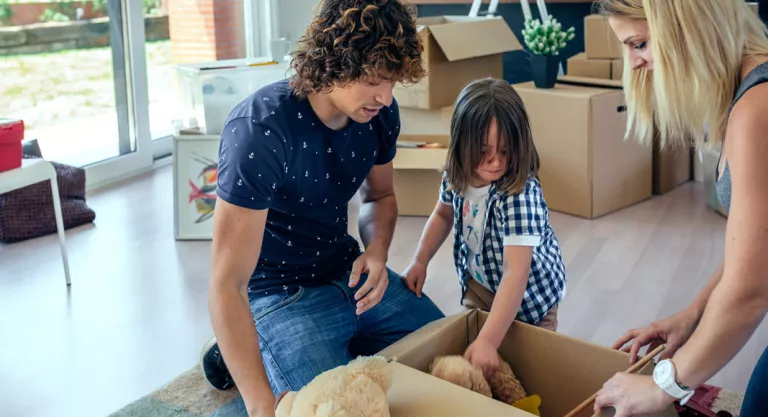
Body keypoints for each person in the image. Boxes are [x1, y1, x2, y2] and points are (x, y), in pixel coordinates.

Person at [200, 1, 445, 415]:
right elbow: (227, 285)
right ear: (333, 60)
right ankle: (250, 353)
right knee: (335, 408)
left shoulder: (379, 115)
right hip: (279, 294)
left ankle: (259, 354)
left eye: (394, 82)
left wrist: (378, 252)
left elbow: (380, 197)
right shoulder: (260, 131)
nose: (386, 98)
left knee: (450, 354)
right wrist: (262, 406)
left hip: (347, 274)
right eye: (374, 80)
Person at [590, 1, 768, 416]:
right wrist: (693, 314)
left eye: (641, 43)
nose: (633, 63)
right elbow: (756, 252)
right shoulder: (747, 93)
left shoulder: (757, 109)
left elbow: (749, 292)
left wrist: (661, 386)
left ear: (687, 28)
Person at [401, 78, 567, 379]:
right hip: (479, 283)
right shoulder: (457, 174)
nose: (494, 162)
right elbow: (442, 215)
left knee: (531, 371)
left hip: (532, 299)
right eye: (483, 150)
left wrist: (490, 340)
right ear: (462, 144)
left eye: (505, 151)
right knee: (479, 359)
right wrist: (420, 260)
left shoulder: (520, 194)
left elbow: (516, 272)